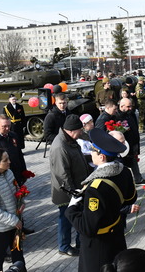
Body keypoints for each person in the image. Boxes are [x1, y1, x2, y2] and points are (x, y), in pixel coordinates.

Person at [65, 128, 137, 272]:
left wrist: (71, 208)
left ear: (101, 156)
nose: (91, 153)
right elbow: (131, 198)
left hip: (99, 247)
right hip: (116, 234)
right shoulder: (124, 170)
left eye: (93, 150)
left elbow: (87, 228)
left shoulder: (95, 188)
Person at [50, 115, 91, 256]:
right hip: (66, 193)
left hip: (77, 188)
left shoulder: (70, 140)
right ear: (72, 130)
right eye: (80, 130)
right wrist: (74, 194)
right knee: (65, 219)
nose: (82, 132)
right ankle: (64, 246)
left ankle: (81, 243)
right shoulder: (60, 147)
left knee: (78, 216)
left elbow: (77, 158)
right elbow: (63, 175)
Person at [0, 115, 28, 187]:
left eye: (9, 126)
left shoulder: (13, 135)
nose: (7, 129)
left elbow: (19, 155)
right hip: (3, 177)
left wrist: (24, 171)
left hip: (17, 174)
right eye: (4, 126)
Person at [115, 98, 145, 185]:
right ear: (121, 106)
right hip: (125, 145)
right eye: (128, 106)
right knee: (124, 164)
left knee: (134, 161)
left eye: (131, 106)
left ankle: (138, 178)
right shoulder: (118, 116)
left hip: (133, 142)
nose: (130, 108)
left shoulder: (131, 113)